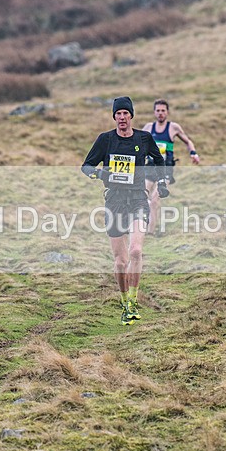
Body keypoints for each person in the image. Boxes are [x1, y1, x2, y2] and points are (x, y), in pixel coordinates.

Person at [81, 96, 169, 325]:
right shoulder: (105, 140)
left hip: (138, 200)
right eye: (117, 114)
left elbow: (159, 161)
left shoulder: (144, 138)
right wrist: (101, 174)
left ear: (131, 116)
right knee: (120, 262)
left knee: (136, 251)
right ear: (114, 117)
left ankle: (132, 300)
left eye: (125, 113)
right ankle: (122, 299)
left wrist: (161, 183)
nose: (121, 117)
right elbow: (86, 166)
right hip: (114, 202)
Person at [142, 99, 201, 235]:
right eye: (158, 111)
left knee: (156, 197)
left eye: (163, 111)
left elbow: (188, 141)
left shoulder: (173, 127)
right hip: (150, 167)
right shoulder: (148, 128)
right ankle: (141, 225)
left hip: (166, 169)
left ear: (167, 112)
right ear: (154, 112)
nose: (160, 113)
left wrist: (193, 153)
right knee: (143, 196)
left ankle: (150, 232)